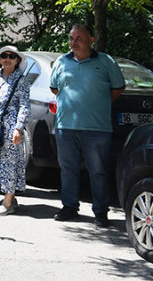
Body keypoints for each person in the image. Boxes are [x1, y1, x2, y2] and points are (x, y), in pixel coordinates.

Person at [49, 24, 125, 227]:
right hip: (66, 126)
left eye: (79, 38)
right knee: (68, 170)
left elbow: (118, 88)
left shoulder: (105, 61)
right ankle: (69, 207)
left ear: (91, 40)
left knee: (98, 171)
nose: (74, 42)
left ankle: (100, 212)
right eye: (71, 38)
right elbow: (55, 88)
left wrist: (96, 103)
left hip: (97, 127)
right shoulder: (62, 61)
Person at [0, 46, 31, 215]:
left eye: (11, 56)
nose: (7, 59)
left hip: (11, 126)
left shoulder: (21, 80)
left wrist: (18, 127)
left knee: (9, 163)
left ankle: (8, 203)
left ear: (17, 60)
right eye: (4, 56)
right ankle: (10, 196)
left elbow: (24, 105)